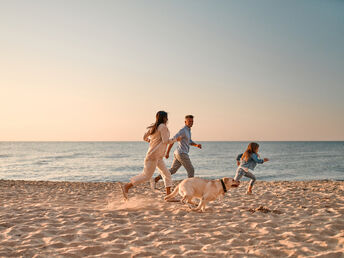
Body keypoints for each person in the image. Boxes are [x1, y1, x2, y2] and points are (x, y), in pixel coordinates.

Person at [119, 111, 182, 200]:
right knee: (146, 176)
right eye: (166, 117)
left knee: (167, 174)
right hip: (153, 156)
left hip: (158, 156)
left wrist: (150, 141)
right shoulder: (163, 127)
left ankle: (168, 197)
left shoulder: (154, 127)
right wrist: (176, 139)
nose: (167, 119)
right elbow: (165, 141)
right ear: (164, 118)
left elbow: (144, 137)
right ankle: (127, 186)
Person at [152, 115, 202, 187]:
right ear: (185, 122)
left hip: (178, 153)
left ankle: (157, 178)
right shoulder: (183, 130)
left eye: (192, 121)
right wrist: (167, 153)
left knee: (173, 170)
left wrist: (196, 145)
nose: (191, 123)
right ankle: (191, 186)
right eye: (189, 121)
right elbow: (173, 140)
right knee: (191, 170)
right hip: (182, 153)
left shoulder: (188, 130)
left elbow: (189, 141)